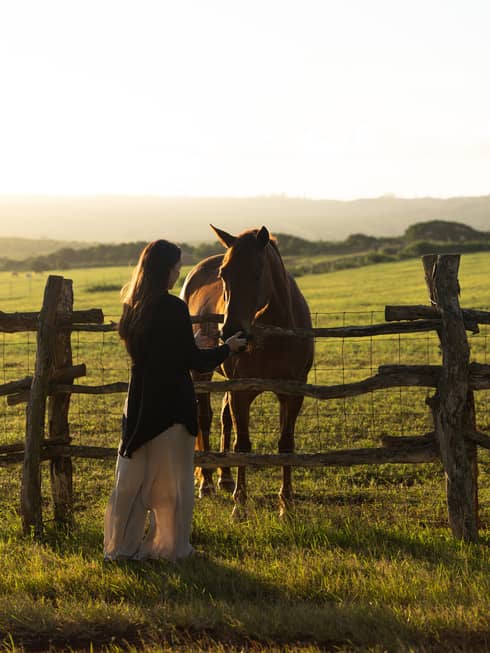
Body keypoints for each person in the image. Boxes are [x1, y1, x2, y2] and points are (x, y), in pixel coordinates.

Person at [104, 239, 246, 561]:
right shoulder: (173, 307)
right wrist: (228, 348)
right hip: (172, 403)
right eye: (176, 268)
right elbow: (194, 361)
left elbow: (158, 351)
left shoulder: (133, 307)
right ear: (165, 270)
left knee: (133, 479)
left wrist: (188, 342)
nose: (177, 274)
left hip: (140, 400)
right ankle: (169, 547)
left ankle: (120, 546)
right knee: (172, 483)